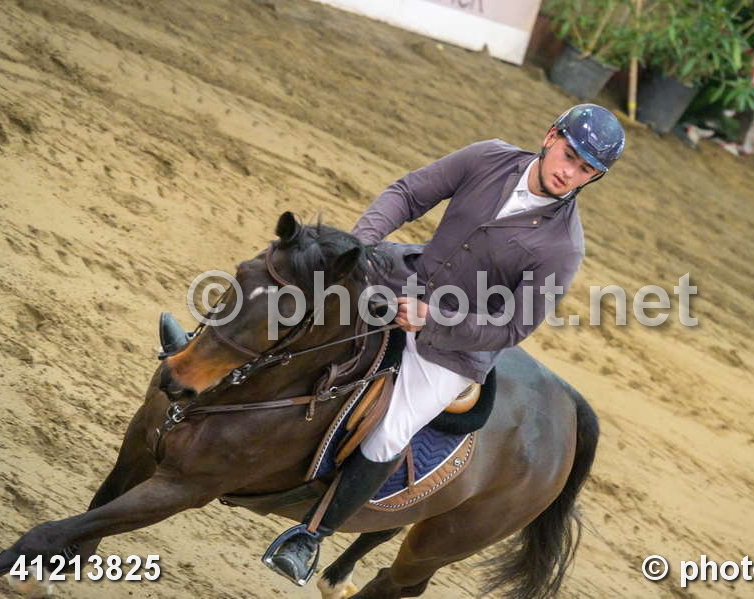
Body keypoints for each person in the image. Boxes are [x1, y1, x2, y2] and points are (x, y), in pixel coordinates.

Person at [260, 103, 625, 584]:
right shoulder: (488, 157)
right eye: (569, 156)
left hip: (452, 349)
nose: (569, 173)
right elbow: (408, 194)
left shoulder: (563, 247)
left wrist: (433, 319)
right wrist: (357, 247)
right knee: (293, 269)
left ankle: (310, 535)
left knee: (392, 428)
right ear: (550, 136)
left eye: (585, 170)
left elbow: (512, 327)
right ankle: (200, 359)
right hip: (402, 275)